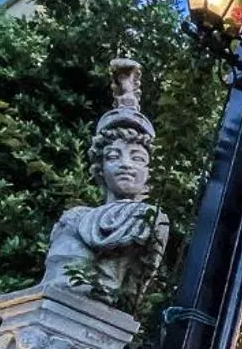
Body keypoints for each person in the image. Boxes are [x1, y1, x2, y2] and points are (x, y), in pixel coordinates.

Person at [39, 58, 172, 300]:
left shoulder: (151, 220)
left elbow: (132, 291)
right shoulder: (74, 219)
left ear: (149, 173)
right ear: (100, 169)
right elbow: (57, 280)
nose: (125, 164)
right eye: (113, 156)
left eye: (137, 158)